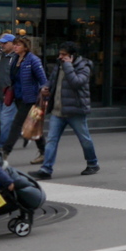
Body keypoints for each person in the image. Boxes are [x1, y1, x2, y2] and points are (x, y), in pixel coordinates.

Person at [35, 41, 100, 178]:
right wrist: (45, 88)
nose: (60, 57)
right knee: (52, 139)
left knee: (84, 139)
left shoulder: (84, 66)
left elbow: (77, 83)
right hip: (58, 110)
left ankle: (93, 163)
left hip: (75, 110)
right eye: (60, 54)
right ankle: (46, 169)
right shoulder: (59, 65)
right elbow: (51, 80)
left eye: (64, 55)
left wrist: (68, 66)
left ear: (72, 56)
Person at [0, 36, 47, 166]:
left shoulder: (33, 60)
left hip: (30, 98)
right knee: (33, 125)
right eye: (14, 45)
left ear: (25, 47)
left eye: (18, 45)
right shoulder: (15, 59)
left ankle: (5, 152)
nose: (15, 47)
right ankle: (44, 152)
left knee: (16, 124)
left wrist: (44, 94)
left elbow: (43, 80)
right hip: (18, 96)